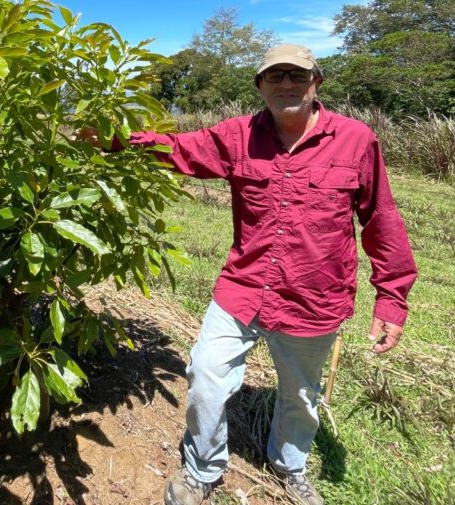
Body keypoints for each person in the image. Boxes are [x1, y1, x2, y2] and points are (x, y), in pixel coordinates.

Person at [81, 44, 418, 505]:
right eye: (275, 76)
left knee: (300, 396)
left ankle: (289, 466)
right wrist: (114, 140)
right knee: (206, 375)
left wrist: (392, 297)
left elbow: (381, 217)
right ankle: (202, 469)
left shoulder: (356, 140)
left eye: (297, 75)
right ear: (260, 86)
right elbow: (179, 149)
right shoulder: (238, 135)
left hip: (315, 298)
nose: (286, 84)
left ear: (316, 82)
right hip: (243, 287)